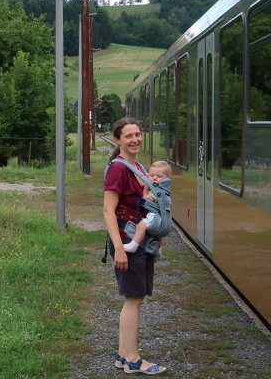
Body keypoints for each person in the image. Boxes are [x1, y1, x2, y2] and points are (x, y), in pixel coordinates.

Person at [103, 117, 167, 375]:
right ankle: (132, 359)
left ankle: (122, 355)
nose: (135, 139)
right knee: (133, 299)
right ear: (118, 140)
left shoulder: (138, 166)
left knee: (135, 298)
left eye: (138, 134)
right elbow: (108, 210)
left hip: (138, 240)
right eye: (128, 136)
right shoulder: (119, 168)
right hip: (127, 240)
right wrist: (119, 247)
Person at [123, 160, 172, 255]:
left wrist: (146, 187)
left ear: (167, 178)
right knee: (154, 236)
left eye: (159, 176)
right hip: (162, 220)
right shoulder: (165, 190)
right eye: (152, 175)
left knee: (141, 225)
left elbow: (145, 199)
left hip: (156, 218)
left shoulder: (157, 191)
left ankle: (133, 245)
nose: (154, 178)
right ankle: (157, 251)